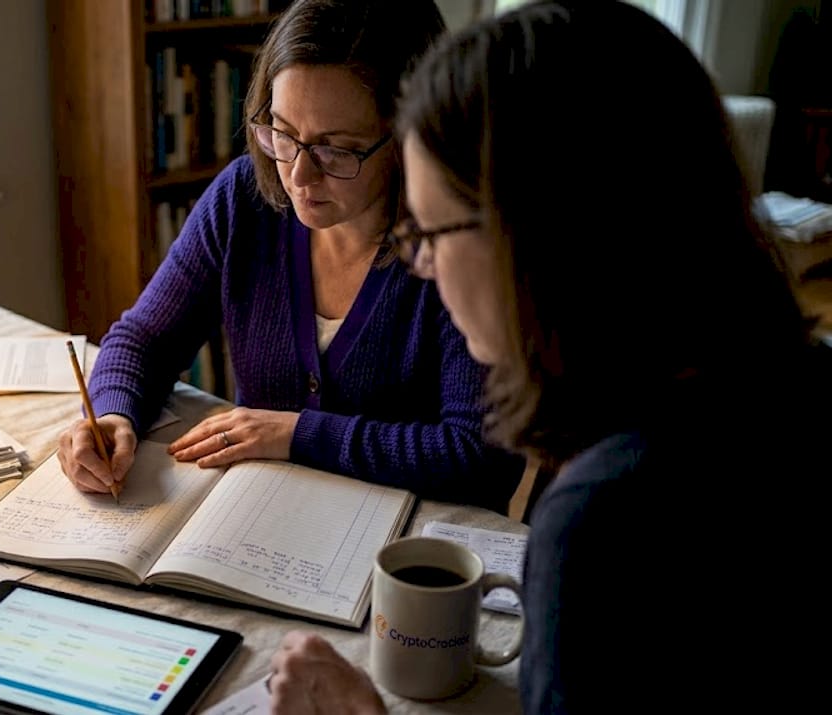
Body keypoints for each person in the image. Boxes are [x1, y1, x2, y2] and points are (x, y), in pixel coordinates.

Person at [268, 2, 830, 712]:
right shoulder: (792, 381)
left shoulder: (605, 525)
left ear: (538, 239)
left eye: (434, 229)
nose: (423, 266)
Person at [57, 0, 523, 513]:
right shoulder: (244, 200)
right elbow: (144, 339)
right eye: (281, 132)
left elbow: (481, 459)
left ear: (408, 134)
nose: (299, 176)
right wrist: (113, 414)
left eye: (335, 149)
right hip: (261, 523)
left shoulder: (456, 243)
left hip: (405, 555)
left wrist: (299, 434)